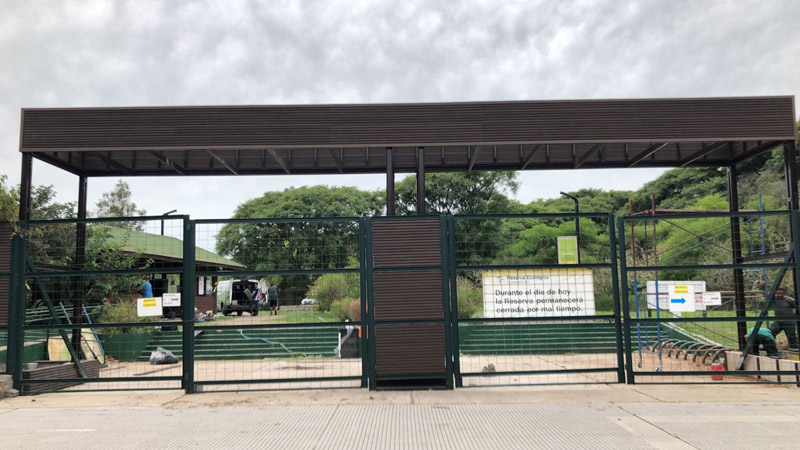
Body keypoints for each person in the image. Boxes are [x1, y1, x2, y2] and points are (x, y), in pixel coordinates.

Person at [768, 286, 799, 351]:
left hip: (789, 322)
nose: (779, 295)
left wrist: (794, 316)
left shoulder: (789, 300)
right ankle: (771, 347)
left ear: (784, 294)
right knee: (770, 332)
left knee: (791, 337)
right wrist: (763, 286)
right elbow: (767, 295)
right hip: (778, 321)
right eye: (778, 293)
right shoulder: (774, 299)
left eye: (781, 293)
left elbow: (798, 307)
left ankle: (794, 350)